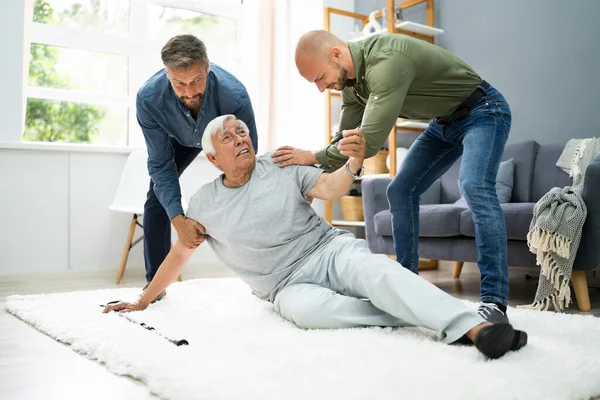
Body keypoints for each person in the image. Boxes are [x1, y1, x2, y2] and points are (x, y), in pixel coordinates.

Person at [104, 115, 527, 360]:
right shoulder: (204, 203)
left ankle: (475, 330)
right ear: (212, 158)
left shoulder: (280, 164)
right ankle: (424, 311)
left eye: (242, 131)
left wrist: (355, 162)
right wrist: (143, 299)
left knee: (379, 274)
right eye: (228, 138)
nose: (241, 139)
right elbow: (180, 254)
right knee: (311, 313)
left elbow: (329, 188)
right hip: (285, 286)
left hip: (327, 250)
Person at [272, 30, 513, 323]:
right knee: (399, 191)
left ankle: (494, 301)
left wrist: (312, 155)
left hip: (483, 110)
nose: (322, 88)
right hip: (444, 123)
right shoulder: (350, 84)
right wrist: (310, 175)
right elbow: (344, 139)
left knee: (474, 185)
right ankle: (406, 289)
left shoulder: (387, 62)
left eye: (320, 78)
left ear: (336, 54)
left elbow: (368, 142)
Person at [136, 34, 258, 296]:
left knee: (249, 188)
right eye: (179, 83)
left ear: (207, 67)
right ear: (167, 74)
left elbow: (248, 154)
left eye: (196, 80)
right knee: (156, 197)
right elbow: (159, 164)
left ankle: (262, 274)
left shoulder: (234, 95)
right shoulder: (149, 99)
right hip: (178, 140)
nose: (190, 91)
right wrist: (178, 220)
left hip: (222, 137)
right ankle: (155, 285)